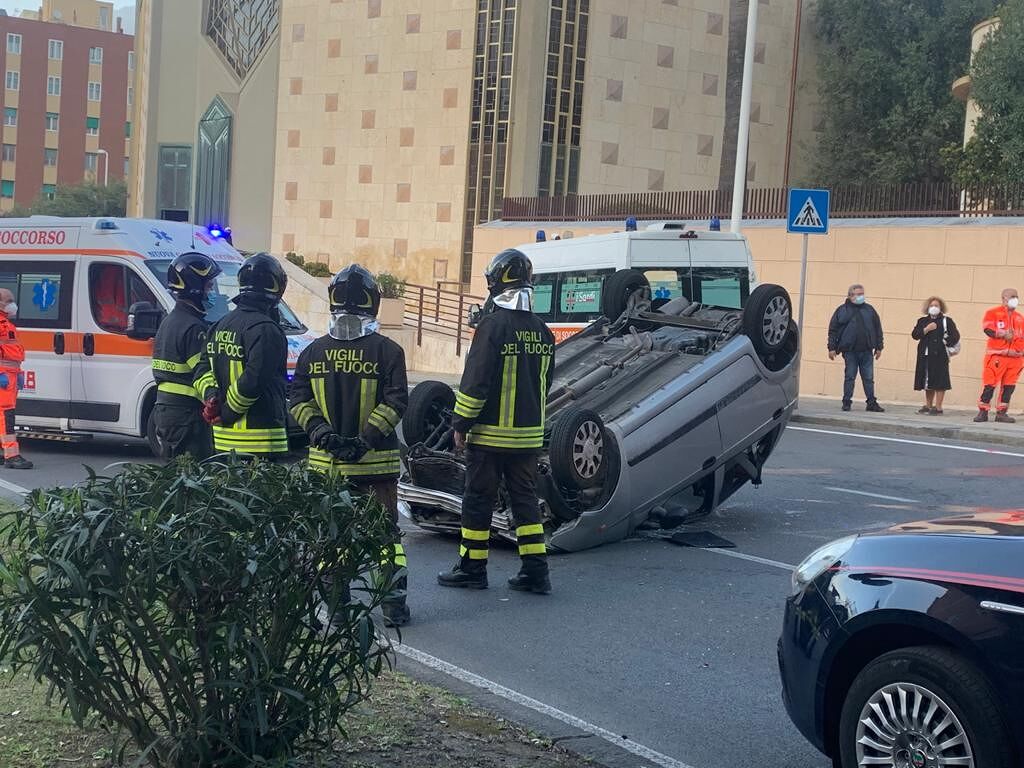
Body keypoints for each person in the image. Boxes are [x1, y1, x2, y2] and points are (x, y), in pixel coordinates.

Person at [289, 265, 411, 627]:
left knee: (332, 542)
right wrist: (365, 441)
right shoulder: (389, 352)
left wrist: (323, 435)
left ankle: (338, 611)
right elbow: (396, 402)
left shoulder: (313, 353)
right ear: (373, 303)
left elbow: (297, 401)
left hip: (328, 471)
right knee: (387, 541)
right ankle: (393, 608)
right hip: (377, 469)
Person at [438, 249, 556, 595]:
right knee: (524, 502)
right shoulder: (543, 331)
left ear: (496, 282)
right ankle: (536, 571)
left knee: (478, 500)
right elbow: (544, 385)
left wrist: (460, 424)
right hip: (528, 440)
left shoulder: (492, 327)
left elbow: (476, 383)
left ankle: (473, 568)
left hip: (489, 439)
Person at [195, 253, 290, 459]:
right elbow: (253, 380)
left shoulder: (218, 326)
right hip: (261, 441)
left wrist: (212, 399)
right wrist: (227, 412)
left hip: (222, 440)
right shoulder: (266, 330)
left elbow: (202, 370)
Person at [151, 253, 222, 459]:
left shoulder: (170, 321)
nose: (213, 292)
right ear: (195, 288)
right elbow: (202, 372)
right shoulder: (194, 327)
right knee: (194, 477)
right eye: (209, 286)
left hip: (165, 410)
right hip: (187, 413)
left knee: (175, 475)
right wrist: (214, 399)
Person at [827, 284, 885, 413]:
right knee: (850, 377)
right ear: (850, 296)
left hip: (867, 350)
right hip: (850, 351)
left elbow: (877, 328)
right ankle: (846, 402)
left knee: (868, 378)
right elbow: (833, 330)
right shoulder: (842, 310)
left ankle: (871, 403)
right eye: (857, 294)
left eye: (861, 294)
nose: (860, 296)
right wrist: (831, 348)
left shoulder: (869, 310)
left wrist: (879, 347)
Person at [974, 288, 1024, 424]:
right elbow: (987, 329)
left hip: (1016, 359)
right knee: (989, 384)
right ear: (1004, 298)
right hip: (997, 356)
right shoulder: (993, 313)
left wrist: (1021, 352)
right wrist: (1002, 334)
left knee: (1009, 387)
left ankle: (1002, 413)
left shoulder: (1020, 317)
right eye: (1013, 296)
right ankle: (983, 411)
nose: (1015, 299)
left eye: (1017, 296)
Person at [911, 296, 959, 416]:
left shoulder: (947, 321)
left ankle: (938, 407)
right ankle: (928, 405)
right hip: (925, 354)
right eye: (931, 305)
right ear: (927, 308)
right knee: (927, 379)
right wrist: (926, 329)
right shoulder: (922, 321)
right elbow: (915, 335)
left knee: (940, 380)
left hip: (940, 355)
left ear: (941, 308)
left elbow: (955, 336)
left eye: (936, 305)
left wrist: (945, 343)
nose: (934, 308)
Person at [0, 289, 31, 469]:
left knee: (3, 415)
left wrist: (18, 374)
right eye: (9, 300)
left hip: (9, 377)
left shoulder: (7, 324)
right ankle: (12, 456)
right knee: (6, 415)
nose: (13, 304)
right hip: (3, 377)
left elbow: (12, 354)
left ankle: (5, 452)